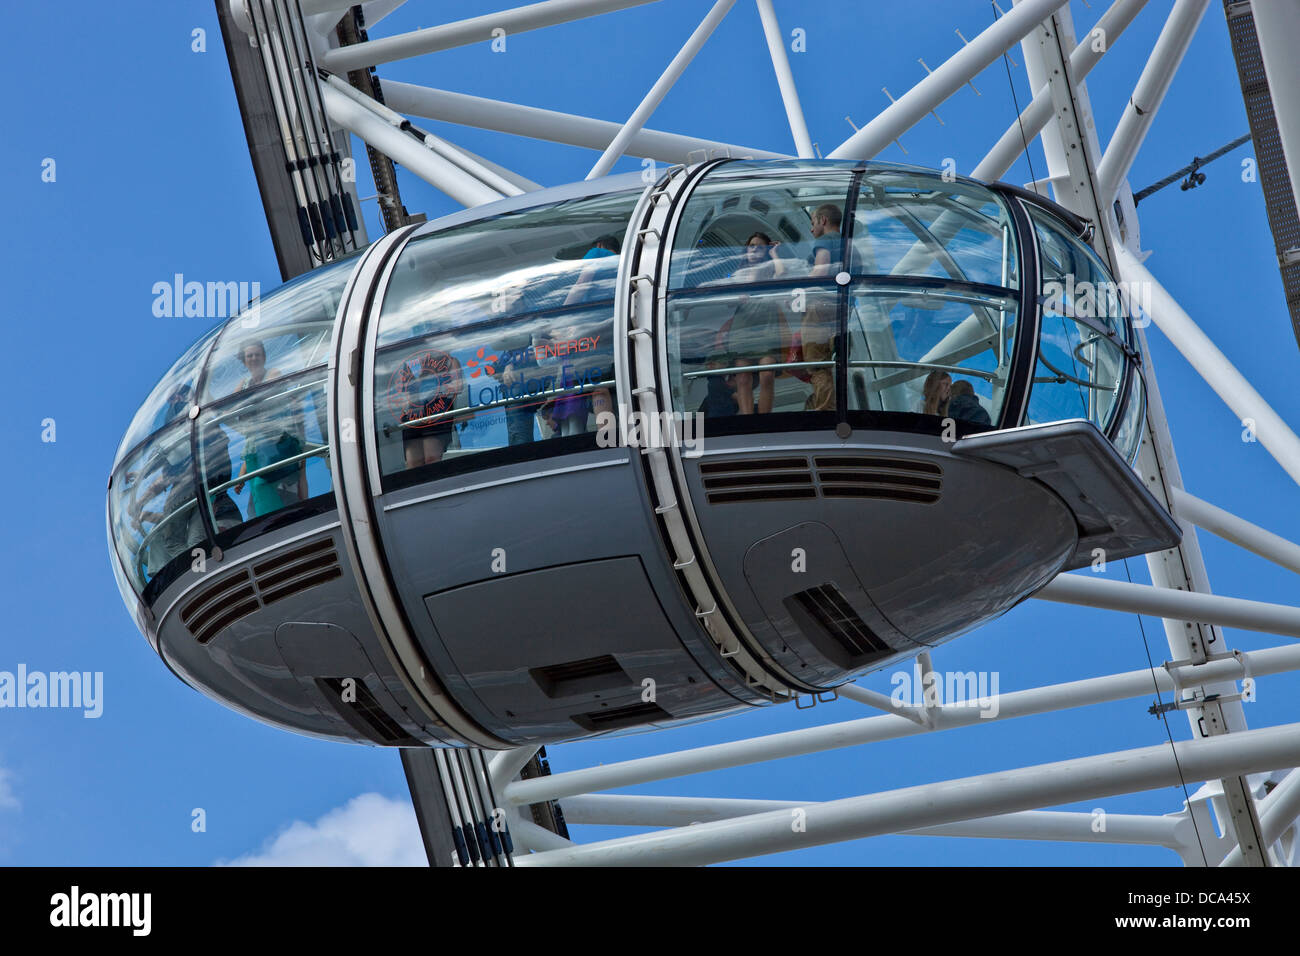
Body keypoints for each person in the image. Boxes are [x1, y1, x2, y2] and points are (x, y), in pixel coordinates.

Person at [232, 340, 309, 516]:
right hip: (258, 450)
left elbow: (261, 399)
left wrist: (248, 407)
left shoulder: (273, 374)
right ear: (244, 361)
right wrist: (241, 476)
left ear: (264, 357)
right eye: (249, 355)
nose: (253, 358)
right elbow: (249, 438)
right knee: (259, 495)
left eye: (257, 354)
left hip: (277, 443)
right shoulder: (243, 384)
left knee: (279, 489)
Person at [397, 349, 465, 468]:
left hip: (435, 414)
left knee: (431, 459)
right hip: (413, 414)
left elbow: (458, 386)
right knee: (413, 464)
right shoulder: (413, 362)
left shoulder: (450, 361)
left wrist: (435, 388)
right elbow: (403, 392)